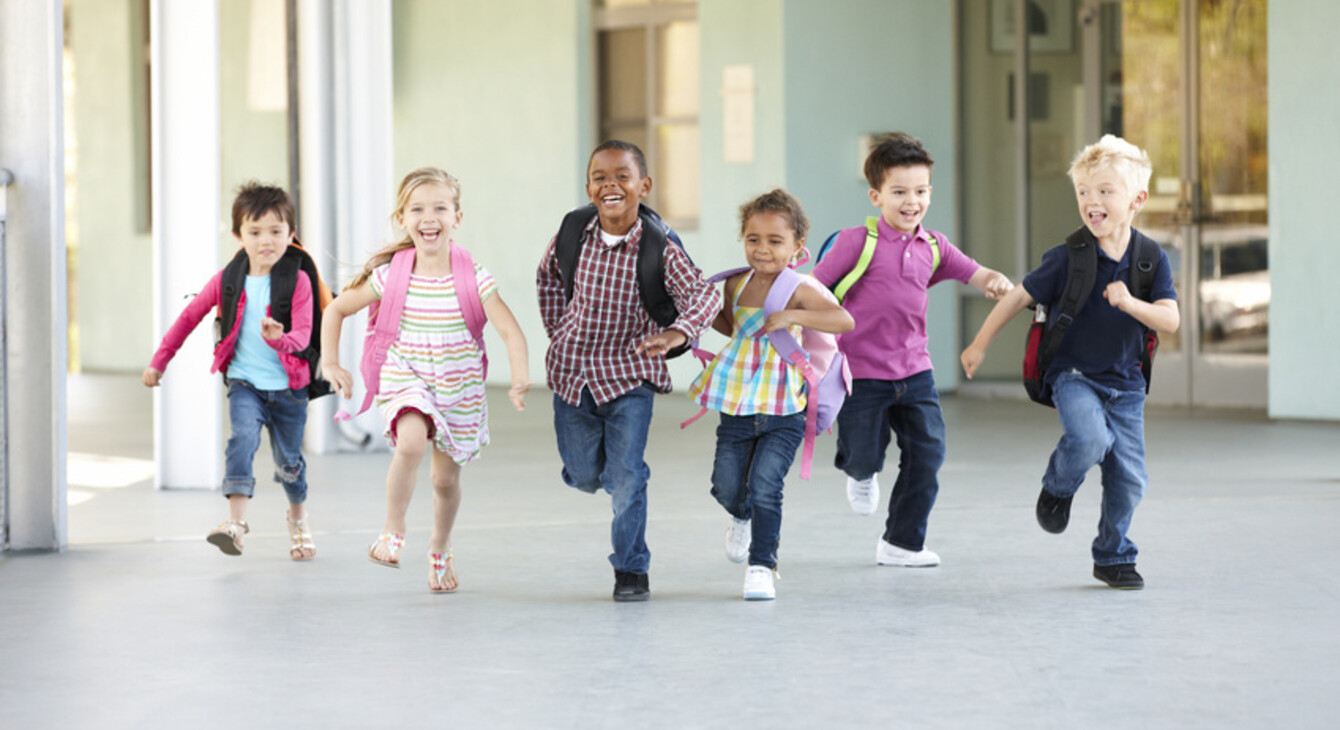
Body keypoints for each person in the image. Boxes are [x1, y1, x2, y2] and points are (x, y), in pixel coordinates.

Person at [960, 134, 1179, 590]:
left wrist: (1130, 304)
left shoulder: (1149, 260)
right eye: (1083, 191)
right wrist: (979, 343)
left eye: (1104, 191)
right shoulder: (1067, 258)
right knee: (1089, 438)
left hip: (1127, 385)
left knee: (1130, 479)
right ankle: (1058, 488)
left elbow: (1170, 320)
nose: (1091, 201)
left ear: (1136, 200)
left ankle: (1113, 556)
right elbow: (1019, 295)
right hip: (1074, 376)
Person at [321, 167, 530, 593]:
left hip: (458, 387)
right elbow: (336, 310)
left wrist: (520, 377)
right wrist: (331, 363)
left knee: (444, 481)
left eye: (440, 207)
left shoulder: (473, 276)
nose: (428, 216)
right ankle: (392, 531)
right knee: (411, 444)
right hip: (407, 375)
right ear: (402, 218)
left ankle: (440, 546)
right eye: (417, 208)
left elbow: (510, 331)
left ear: (457, 217)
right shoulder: (391, 276)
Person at [811, 132, 1013, 568]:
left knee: (929, 452)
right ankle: (861, 472)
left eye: (920, 191)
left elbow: (976, 273)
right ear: (876, 195)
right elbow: (813, 290)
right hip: (860, 372)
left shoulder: (934, 246)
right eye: (899, 192)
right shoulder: (855, 242)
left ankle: (901, 543)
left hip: (915, 371)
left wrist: (995, 281)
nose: (911, 202)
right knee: (864, 452)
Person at [536, 140, 721, 602]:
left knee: (626, 476)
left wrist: (678, 334)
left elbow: (706, 296)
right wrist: (558, 331)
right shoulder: (573, 232)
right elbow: (548, 279)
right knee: (582, 475)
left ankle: (631, 570)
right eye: (600, 177)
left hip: (629, 377)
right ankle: (606, 477)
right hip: (572, 374)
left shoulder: (659, 247)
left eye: (622, 176)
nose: (611, 185)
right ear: (588, 187)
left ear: (644, 186)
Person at [688, 189, 854, 600]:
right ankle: (740, 516)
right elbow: (730, 326)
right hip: (738, 402)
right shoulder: (735, 285)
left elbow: (844, 320)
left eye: (775, 241)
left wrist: (795, 315)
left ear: (798, 247)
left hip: (784, 405)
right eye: (753, 239)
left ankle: (762, 565)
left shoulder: (798, 287)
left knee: (766, 483)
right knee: (726, 485)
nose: (763, 249)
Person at [143, 182, 321, 560]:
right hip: (246, 384)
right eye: (255, 232)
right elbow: (189, 317)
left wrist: (279, 338)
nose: (266, 241)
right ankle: (236, 525)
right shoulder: (228, 279)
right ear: (239, 236)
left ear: (292, 235)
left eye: (276, 231)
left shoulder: (298, 280)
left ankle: (298, 518)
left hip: (290, 390)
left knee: (289, 463)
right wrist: (160, 361)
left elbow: (304, 335)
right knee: (241, 438)